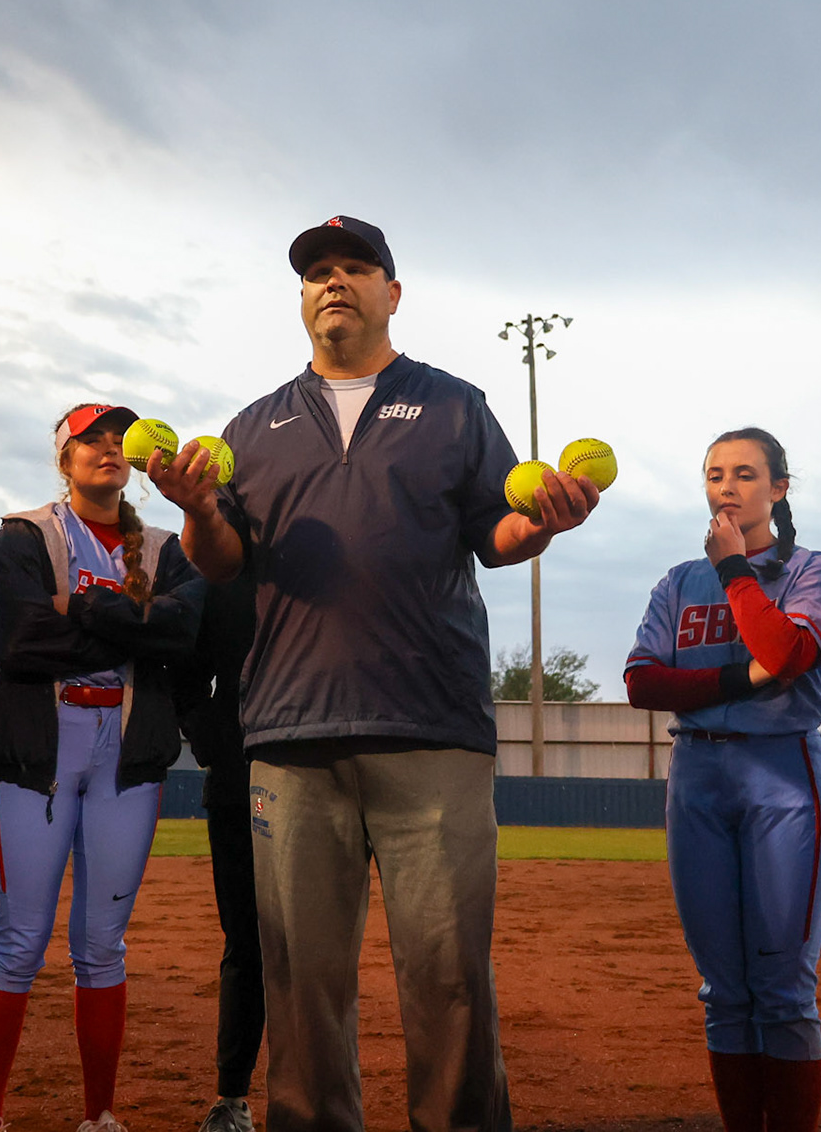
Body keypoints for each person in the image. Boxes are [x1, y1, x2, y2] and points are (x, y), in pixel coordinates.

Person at [148, 215, 598, 1132]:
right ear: (302, 298)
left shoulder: (454, 404)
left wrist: (547, 520)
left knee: (448, 979)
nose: (334, 282)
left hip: (430, 727)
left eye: (355, 266)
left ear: (394, 292)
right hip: (289, 733)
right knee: (301, 986)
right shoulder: (254, 424)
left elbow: (498, 534)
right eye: (317, 272)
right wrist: (196, 509)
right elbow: (223, 559)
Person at [0, 402, 205, 1132]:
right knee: (18, 940)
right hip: (42, 744)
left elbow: (186, 632)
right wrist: (137, 628)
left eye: (116, 439)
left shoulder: (169, 546)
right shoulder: (24, 535)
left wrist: (86, 607)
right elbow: (23, 644)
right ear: (63, 458)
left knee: (102, 945)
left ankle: (99, 1115)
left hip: (124, 754)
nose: (106, 449)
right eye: (88, 440)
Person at [624, 427, 821, 1132]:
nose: (727, 486)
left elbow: (783, 653)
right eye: (715, 473)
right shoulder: (677, 579)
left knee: (782, 988)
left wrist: (736, 573)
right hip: (697, 773)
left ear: (779, 488)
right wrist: (736, 680)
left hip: (781, 771)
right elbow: (640, 681)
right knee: (723, 991)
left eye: (746, 474)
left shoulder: (813, 569)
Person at [171, 572, 264, 1132]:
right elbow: (185, 666)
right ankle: (232, 1097)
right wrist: (210, 739)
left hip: (320, 765)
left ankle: (316, 1091)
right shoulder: (223, 573)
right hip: (237, 772)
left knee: (316, 946)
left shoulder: (321, 562)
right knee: (245, 941)